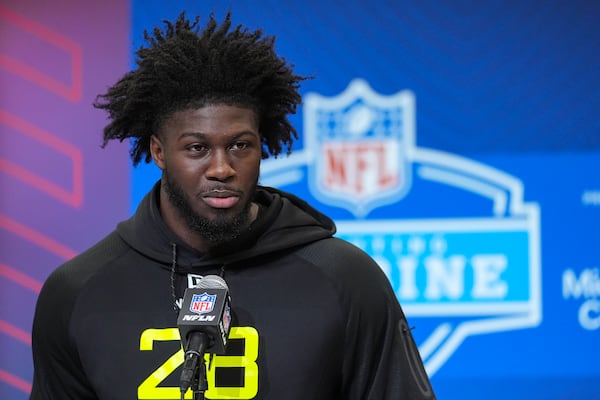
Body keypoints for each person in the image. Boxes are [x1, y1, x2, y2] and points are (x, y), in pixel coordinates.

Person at [30, 12, 436, 400]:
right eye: (197, 148)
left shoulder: (345, 279)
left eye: (240, 146)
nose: (222, 168)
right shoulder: (78, 291)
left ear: (262, 147)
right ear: (158, 151)